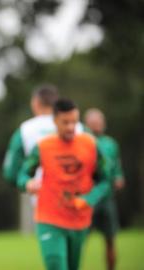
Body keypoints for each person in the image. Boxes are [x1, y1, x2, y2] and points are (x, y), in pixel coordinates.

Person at [18, 99, 110, 270]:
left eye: (74, 122)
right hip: (49, 217)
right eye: (65, 122)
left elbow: (106, 180)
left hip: (79, 220)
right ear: (55, 121)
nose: (70, 127)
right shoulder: (43, 146)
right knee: (56, 266)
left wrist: (88, 199)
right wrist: (27, 183)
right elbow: (22, 174)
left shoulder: (91, 144)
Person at [2, 85, 82, 233]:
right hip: (78, 198)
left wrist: (24, 182)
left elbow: (11, 172)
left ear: (35, 103)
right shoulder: (79, 127)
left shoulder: (25, 129)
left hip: (42, 197)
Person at [85, 108, 125, 270]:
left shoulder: (111, 143)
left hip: (107, 199)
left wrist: (119, 177)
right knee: (80, 241)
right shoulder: (83, 141)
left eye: (100, 121)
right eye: (94, 122)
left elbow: (117, 168)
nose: (97, 125)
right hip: (88, 199)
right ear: (87, 124)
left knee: (110, 239)